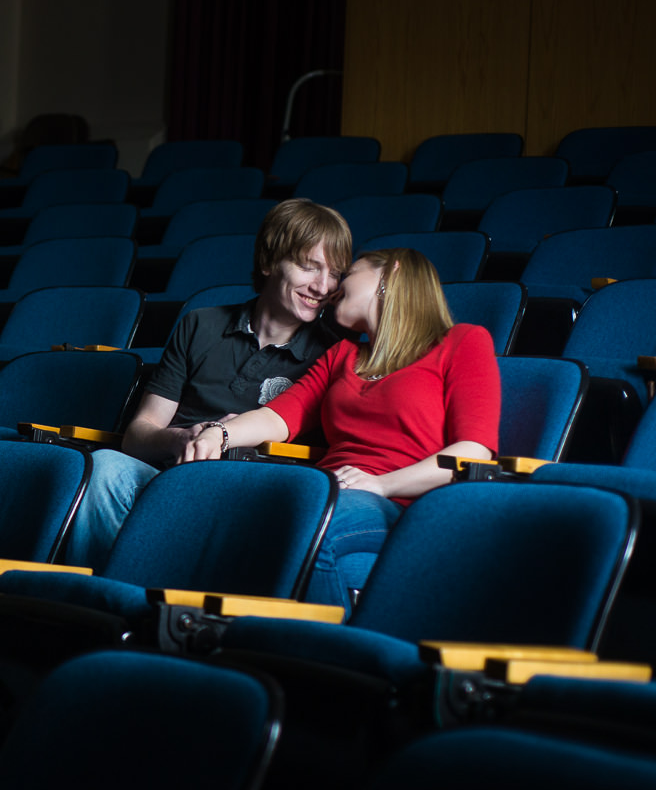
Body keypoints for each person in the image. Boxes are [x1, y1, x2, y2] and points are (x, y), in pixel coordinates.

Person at [181, 247, 501, 610]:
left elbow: (475, 451)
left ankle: (321, 653)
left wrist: (382, 484)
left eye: (347, 274)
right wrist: (219, 434)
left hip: (404, 505)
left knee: (302, 526)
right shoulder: (342, 355)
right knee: (232, 515)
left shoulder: (461, 341)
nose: (332, 289)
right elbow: (278, 417)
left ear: (391, 273)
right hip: (327, 493)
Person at [66, 198, 354, 566]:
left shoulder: (332, 353)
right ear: (268, 262)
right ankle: (101, 596)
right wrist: (181, 438)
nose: (323, 287)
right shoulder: (200, 324)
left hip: (251, 490)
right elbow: (140, 433)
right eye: (309, 267)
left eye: (335, 274)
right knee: (106, 466)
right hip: (172, 470)